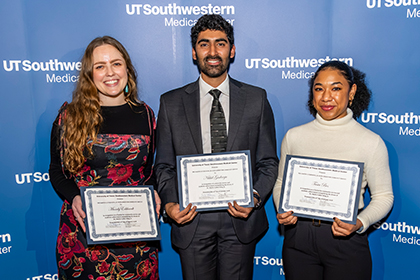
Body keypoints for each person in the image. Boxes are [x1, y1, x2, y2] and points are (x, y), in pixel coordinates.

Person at [154, 14, 278, 280]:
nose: (212, 52)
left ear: (232, 51)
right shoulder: (170, 103)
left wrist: (254, 198)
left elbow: (268, 162)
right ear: (193, 52)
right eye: (204, 44)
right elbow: (163, 165)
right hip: (191, 220)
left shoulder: (257, 99)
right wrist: (170, 205)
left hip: (240, 219)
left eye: (220, 44)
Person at [49, 36, 160, 280]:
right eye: (100, 66)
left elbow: (150, 170)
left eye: (116, 64)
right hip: (84, 231)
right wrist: (74, 197)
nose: (110, 72)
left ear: (127, 69)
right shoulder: (69, 116)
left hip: (135, 234)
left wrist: (152, 190)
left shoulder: (146, 115)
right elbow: (57, 171)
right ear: (90, 74)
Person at [273, 61, 394, 280]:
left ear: (352, 91)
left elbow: (384, 196)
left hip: (346, 241)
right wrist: (282, 208)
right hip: (298, 240)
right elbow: (281, 183)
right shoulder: (294, 136)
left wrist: (360, 222)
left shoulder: (370, 142)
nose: (326, 97)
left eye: (336, 88)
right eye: (319, 89)